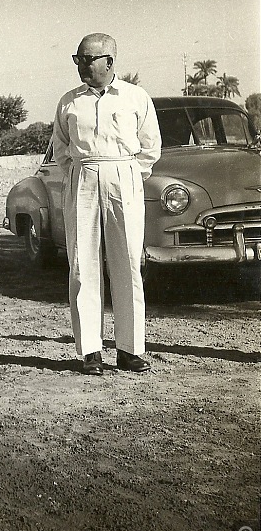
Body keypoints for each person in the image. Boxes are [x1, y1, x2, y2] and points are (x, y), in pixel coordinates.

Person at [52, 33, 161, 375]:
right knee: (83, 263)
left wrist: (126, 175)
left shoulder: (135, 97)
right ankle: (90, 351)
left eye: (86, 59)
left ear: (108, 62)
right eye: (77, 59)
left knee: (127, 262)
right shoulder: (69, 101)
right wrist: (81, 176)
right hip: (83, 177)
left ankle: (130, 349)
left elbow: (150, 147)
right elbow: (61, 149)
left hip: (124, 177)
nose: (80, 65)